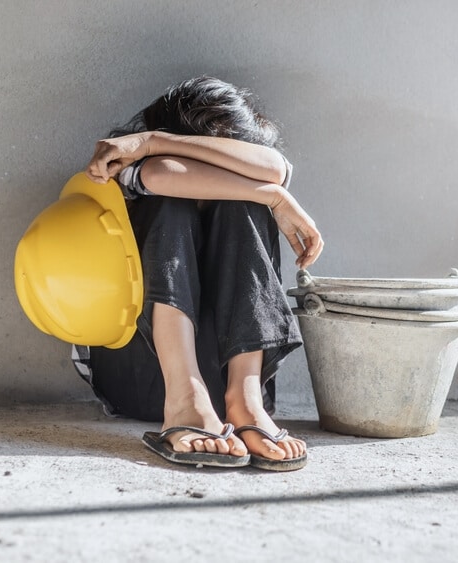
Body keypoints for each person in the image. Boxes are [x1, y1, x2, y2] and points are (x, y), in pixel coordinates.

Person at [77, 76, 323, 471]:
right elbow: (161, 174)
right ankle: (185, 401)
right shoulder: (127, 166)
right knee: (169, 204)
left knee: (243, 206)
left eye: (224, 151)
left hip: (226, 377)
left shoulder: (242, 169)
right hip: (144, 376)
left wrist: (271, 194)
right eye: (204, 149)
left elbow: (273, 167)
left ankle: (245, 403)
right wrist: (151, 146)